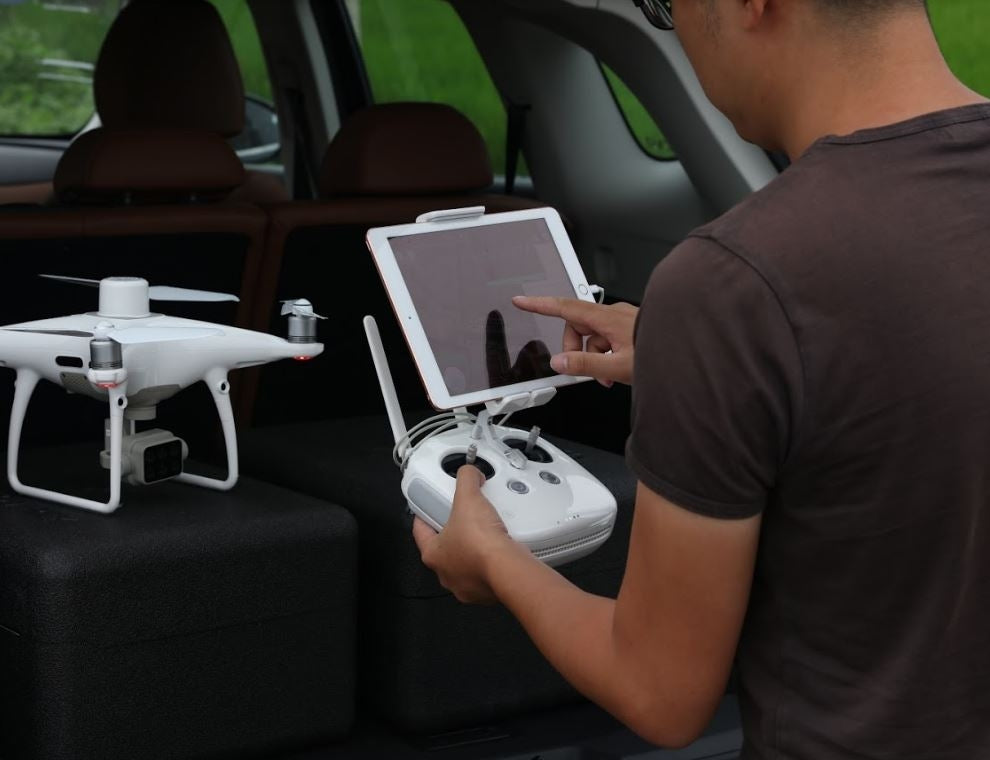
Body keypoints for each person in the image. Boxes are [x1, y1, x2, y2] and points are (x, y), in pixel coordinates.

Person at [411, 1, 990, 757]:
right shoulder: (744, 304)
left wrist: (494, 560)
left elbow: (660, 691)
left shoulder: (737, 284)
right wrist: (700, 359)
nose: (675, 30)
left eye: (664, 5)